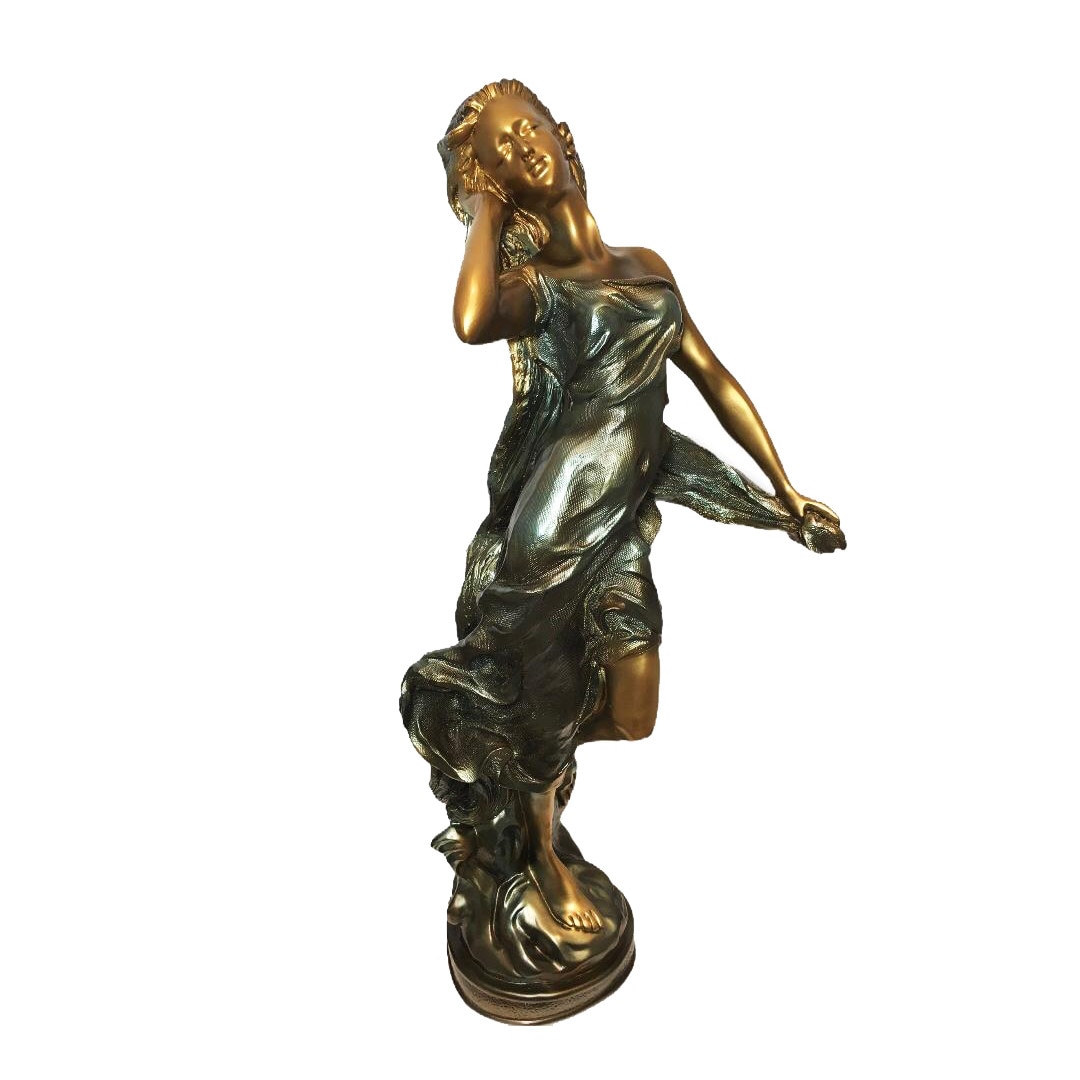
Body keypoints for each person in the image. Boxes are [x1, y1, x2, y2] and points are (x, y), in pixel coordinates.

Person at [400, 79, 844, 935]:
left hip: (622, 524)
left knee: (634, 712)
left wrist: (784, 491)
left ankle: (516, 764)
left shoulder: (646, 266)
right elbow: (473, 318)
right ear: (498, 185)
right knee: (541, 692)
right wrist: (481, 209)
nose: (521, 150)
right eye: (498, 156)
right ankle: (539, 851)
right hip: (555, 528)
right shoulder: (539, 285)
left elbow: (713, 378)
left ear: (563, 136)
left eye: (527, 130)